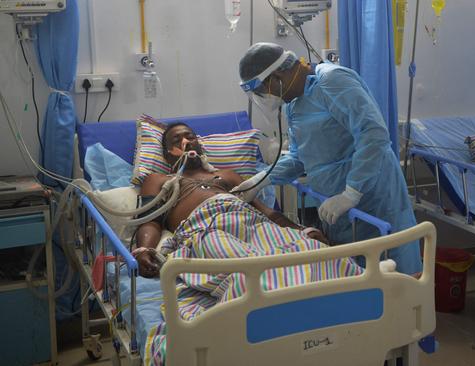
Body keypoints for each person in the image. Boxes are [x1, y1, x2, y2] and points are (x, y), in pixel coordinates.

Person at [232, 42, 422, 275]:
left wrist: (352, 193)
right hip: (340, 210)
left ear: (278, 76)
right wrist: (261, 179)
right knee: (354, 282)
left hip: (373, 200)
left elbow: (373, 135)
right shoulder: (293, 105)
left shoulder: (333, 81)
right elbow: (299, 157)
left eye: (263, 90)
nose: (267, 97)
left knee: (395, 280)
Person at [134, 122, 329, 278]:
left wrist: (303, 230)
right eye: (177, 140)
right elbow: (150, 221)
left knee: (312, 251)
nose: (186, 141)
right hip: (207, 231)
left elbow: (265, 212)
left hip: (253, 224)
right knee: (243, 265)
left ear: (200, 145)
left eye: (190, 136)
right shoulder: (158, 180)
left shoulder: (227, 176)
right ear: (168, 155)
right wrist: (144, 249)